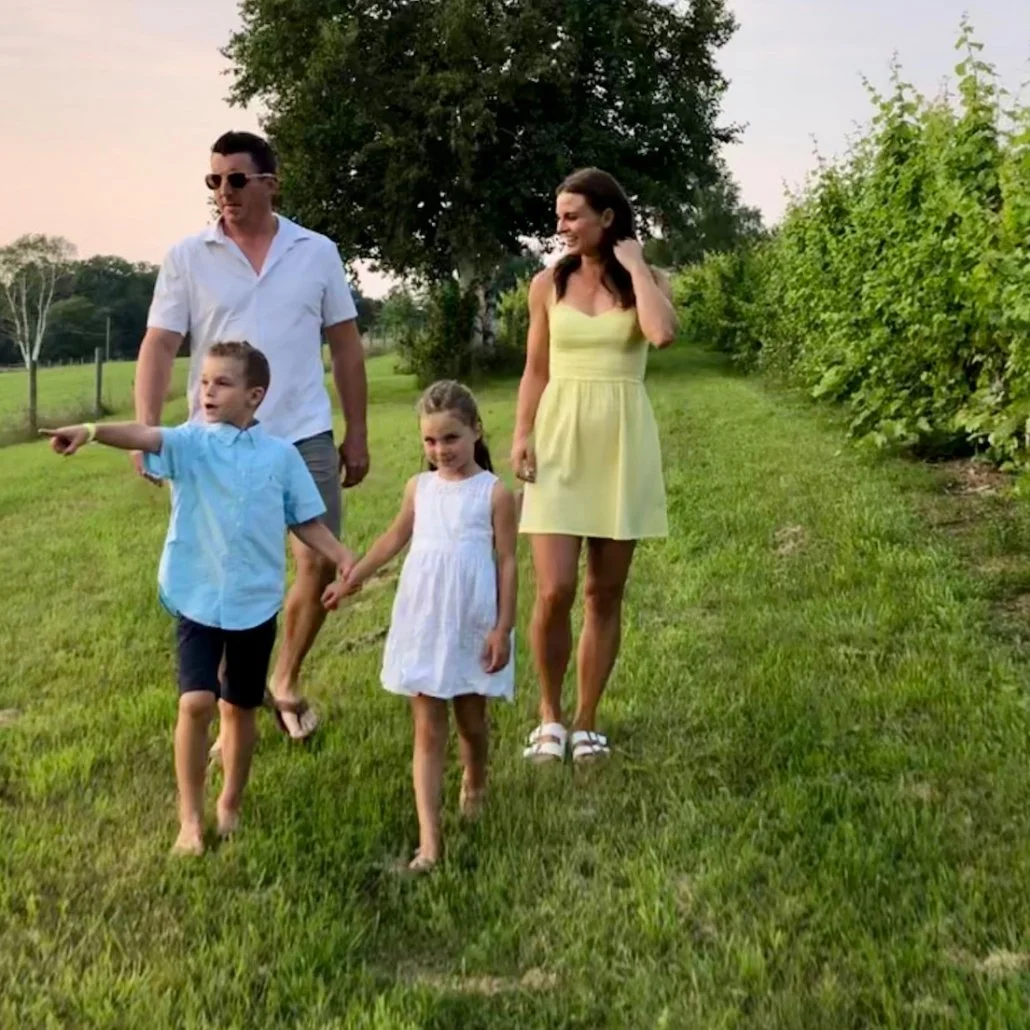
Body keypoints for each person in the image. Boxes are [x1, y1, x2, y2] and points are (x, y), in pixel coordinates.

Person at [42, 342, 356, 855]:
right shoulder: (190, 443)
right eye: (203, 381)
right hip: (197, 596)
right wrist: (93, 432)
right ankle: (189, 818)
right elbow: (146, 434)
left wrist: (341, 555)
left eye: (222, 383)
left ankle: (230, 801)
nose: (207, 390)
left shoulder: (280, 457)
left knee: (239, 708)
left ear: (254, 396)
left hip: (255, 601)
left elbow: (303, 518)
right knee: (195, 703)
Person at [134, 130, 368, 744]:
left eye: (236, 179)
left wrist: (358, 431)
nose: (223, 192)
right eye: (214, 181)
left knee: (317, 561)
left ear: (271, 182)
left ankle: (282, 679)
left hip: (303, 432)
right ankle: (230, 706)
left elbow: (344, 344)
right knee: (223, 570)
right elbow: (159, 344)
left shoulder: (316, 251)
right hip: (217, 445)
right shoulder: (189, 255)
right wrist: (147, 435)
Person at [512, 168, 677, 765]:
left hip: (621, 440)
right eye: (559, 216)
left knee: (604, 592)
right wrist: (522, 434)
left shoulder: (646, 283)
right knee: (554, 589)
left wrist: (634, 267)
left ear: (608, 218)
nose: (562, 226)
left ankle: (586, 722)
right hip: (559, 439)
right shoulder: (545, 285)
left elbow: (661, 335)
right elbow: (536, 369)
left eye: (573, 215)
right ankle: (549, 717)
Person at [324, 381, 518, 872]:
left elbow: (508, 562)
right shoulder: (420, 487)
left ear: (476, 430)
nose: (440, 451)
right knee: (428, 729)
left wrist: (503, 628)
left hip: (472, 619)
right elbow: (394, 539)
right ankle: (430, 840)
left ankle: (475, 781)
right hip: (424, 618)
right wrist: (352, 580)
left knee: (471, 722)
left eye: (450, 438)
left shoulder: (494, 493)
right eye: (430, 442)